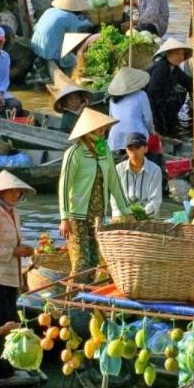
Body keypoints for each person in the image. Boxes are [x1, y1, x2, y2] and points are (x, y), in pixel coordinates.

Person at [59, 108, 132, 282]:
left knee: (96, 261)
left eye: (104, 129)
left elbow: (114, 181)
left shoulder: (104, 150)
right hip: (77, 215)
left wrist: (126, 211)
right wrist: (64, 217)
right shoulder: (74, 153)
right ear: (89, 131)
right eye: (99, 130)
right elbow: (64, 185)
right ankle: (73, 304)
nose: (103, 132)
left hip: (98, 215)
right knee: (81, 263)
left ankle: (88, 303)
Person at [0, 170, 36, 379]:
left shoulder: (14, 213)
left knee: (10, 321)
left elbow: (14, 244)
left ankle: (7, 366)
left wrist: (23, 251)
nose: (16, 195)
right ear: (1, 192)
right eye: (12, 191)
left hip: (11, 276)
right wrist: (13, 252)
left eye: (18, 192)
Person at [146, 38, 194, 137]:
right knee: (160, 130)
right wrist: (158, 124)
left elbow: (189, 83)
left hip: (159, 104)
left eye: (182, 54)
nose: (180, 57)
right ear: (168, 54)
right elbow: (152, 96)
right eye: (177, 53)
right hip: (150, 105)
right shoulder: (161, 69)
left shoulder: (174, 69)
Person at [31, 0, 93, 73]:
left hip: (35, 46)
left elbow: (35, 27)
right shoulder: (71, 18)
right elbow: (71, 41)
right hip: (48, 53)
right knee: (76, 62)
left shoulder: (49, 10)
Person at [111, 132, 162, 219]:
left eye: (137, 148)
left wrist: (140, 215)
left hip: (146, 216)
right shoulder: (118, 169)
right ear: (126, 150)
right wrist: (122, 215)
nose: (133, 152)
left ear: (145, 149)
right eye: (130, 148)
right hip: (123, 216)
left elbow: (155, 201)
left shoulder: (155, 170)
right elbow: (114, 199)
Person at [106, 66, 154, 152]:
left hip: (115, 139)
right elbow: (148, 119)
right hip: (136, 138)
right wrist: (152, 131)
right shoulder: (141, 95)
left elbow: (111, 120)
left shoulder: (112, 99)